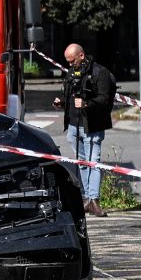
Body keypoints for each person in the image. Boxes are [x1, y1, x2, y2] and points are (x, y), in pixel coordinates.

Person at [53, 43, 113, 217]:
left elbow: (104, 98)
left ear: (81, 55)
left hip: (92, 126)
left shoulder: (99, 72)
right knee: (82, 163)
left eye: (72, 61)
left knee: (93, 162)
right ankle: (86, 198)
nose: (70, 65)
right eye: (68, 62)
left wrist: (87, 104)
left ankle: (94, 200)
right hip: (73, 126)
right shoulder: (72, 72)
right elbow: (68, 94)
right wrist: (61, 102)